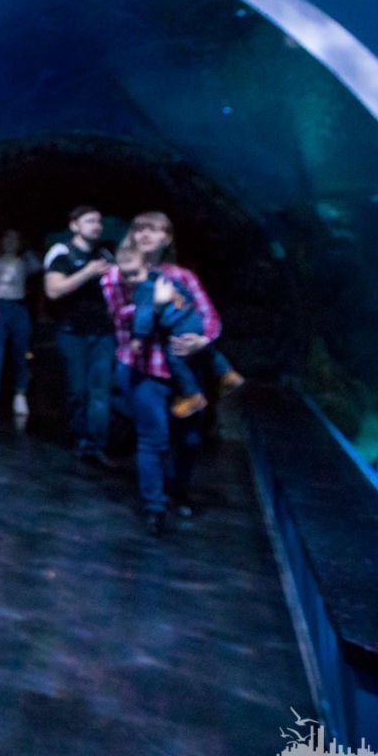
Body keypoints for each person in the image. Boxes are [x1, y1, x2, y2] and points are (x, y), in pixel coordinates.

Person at [100, 211, 222, 536]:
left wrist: (203, 339)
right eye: (139, 228)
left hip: (186, 370)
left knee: (190, 439)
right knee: (153, 438)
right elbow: (120, 316)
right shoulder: (118, 274)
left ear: (167, 238)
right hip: (144, 369)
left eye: (154, 230)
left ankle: (179, 491)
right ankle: (154, 506)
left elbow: (209, 315)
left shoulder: (182, 276)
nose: (145, 234)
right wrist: (154, 304)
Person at [115, 244, 237, 419]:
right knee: (205, 348)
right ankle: (228, 374)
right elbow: (186, 293)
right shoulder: (163, 277)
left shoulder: (142, 290)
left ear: (146, 266)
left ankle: (192, 395)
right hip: (192, 318)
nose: (132, 279)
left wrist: (138, 337)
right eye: (126, 275)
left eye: (135, 273)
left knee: (175, 357)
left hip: (179, 325)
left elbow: (144, 315)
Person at [44, 205, 116, 464]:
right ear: (74, 225)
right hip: (72, 331)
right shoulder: (63, 254)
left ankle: (95, 445)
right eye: (89, 221)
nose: (96, 226)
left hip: (103, 332)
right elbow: (53, 290)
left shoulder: (105, 254)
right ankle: (79, 437)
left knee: (100, 391)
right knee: (78, 390)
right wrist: (87, 273)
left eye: (98, 221)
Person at [0, 229, 42, 419]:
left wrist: (27, 248)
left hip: (18, 308)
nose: (10, 241)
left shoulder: (25, 262)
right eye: (7, 238)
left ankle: (20, 393)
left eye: (14, 238)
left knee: (21, 352)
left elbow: (38, 266)